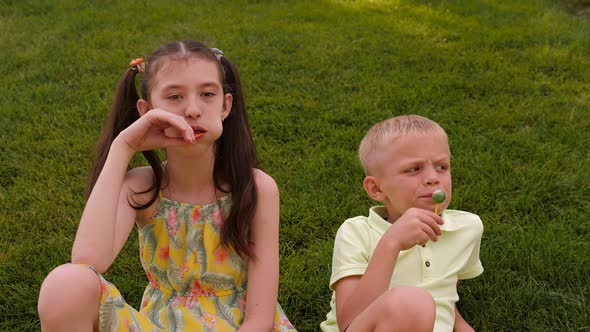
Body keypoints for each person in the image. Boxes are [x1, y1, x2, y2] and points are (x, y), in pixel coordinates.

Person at [38, 39, 296, 332]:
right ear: (147, 109)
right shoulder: (142, 186)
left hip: (241, 326)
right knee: (65, 284)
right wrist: (124, 146)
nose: (193, 109)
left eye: (207, 94)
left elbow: (259, 320)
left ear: (226, 106)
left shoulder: (256, 187)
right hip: (162, 325)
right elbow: (87, 262)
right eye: (174, 97)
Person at [320, 115, 484, 332]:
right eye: (414, 169)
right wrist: (391, 243)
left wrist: (461, 326)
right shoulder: (356, 233)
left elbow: (445, 290)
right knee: (411, 302)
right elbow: (348, 323)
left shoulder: (467, 228)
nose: (433, 178)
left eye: (442, 166)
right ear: (377, 189)